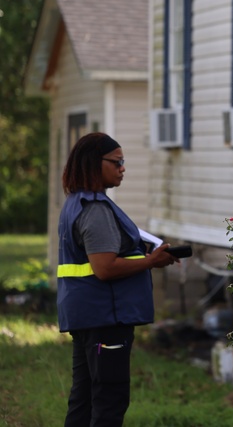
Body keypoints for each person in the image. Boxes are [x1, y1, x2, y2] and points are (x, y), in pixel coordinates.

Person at [57, 132, 177, 427]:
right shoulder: (95, 209)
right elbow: (105, 267)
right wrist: (152, 261)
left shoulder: (77, 202)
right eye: (117, 162)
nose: (123, 168)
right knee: (109, 401)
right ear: (94, 163)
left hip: (88, 316)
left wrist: (140, 253)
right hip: (106, 319)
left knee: (83, 399)